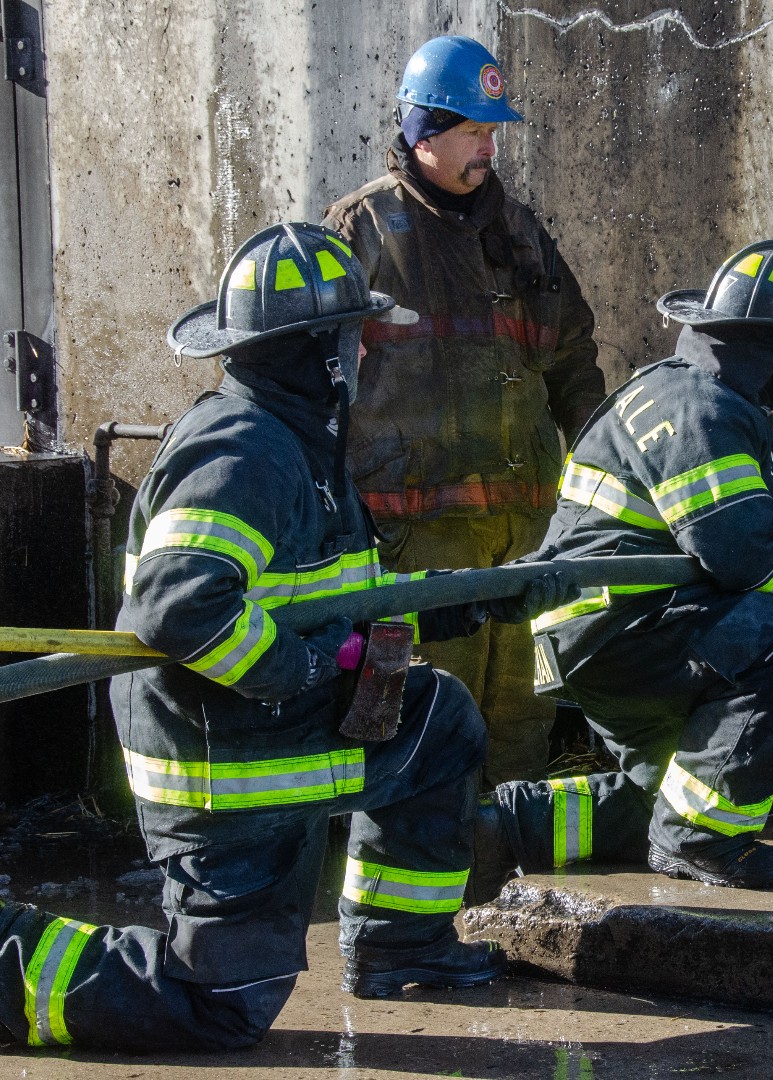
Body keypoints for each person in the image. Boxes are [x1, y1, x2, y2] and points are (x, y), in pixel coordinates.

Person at [0, 222, 577, 1052]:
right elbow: (180, 605)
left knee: (437, 722)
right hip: (229, 766)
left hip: (278, 728)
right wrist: (305, 666)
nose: (369, 351)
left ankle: (399, 944)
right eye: (357, 336)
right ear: (323, 353)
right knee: (221, 1005)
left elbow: (347, 604)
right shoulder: (245, 450)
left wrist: (484, 597)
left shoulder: (304, 441)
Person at [469, 239, 773, 900]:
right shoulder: (699, 413)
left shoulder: (701, 397)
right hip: (621, 630)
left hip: (604, 629)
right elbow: (743, 555)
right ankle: (700, 841)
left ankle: (503, 829)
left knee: (668, 794)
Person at [323, 35, 606, 788]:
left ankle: (505, 857)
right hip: (415, 547)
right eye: (475, 131)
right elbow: (318, 382)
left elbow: (573, 361)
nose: (490, 147)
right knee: (421, 724)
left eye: (492, 132)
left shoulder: (520, 232)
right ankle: (416, 861)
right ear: (425, 133)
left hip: (525, 538)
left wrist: (595, 486)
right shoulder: (362, 230)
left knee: (520, 725)